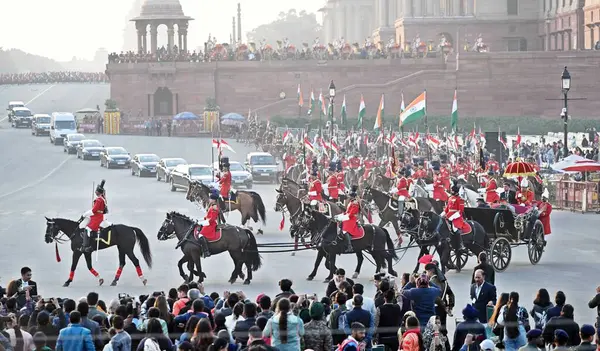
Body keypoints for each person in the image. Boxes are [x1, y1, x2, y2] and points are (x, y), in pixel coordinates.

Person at [79, 179, 110, 252]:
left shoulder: (99, 200)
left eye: (96, 191)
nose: (95, 192)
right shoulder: (101, 199)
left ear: (98, 192)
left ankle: (86, 246)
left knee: (87, 228)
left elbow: (93, 210)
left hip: (97, 218)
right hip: (97, 216)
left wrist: (84, 214)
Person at [440, 184, 470, 251]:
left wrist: (451, 217)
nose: (451, 191)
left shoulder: (460, 199)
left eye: (452, 190)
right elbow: (447, 209)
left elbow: (460, 211)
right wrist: (441, 215)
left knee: (455, 229)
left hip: (457, 217)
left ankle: (461, 244)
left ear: (455, 191)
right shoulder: (450, 198)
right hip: (448, 215)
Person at [335, 185, 361, 253]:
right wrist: (340, 215)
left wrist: (343, 217)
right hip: (348, 216)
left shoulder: (355, 203)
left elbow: (351, 214)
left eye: (350, 196)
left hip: (351, 218)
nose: (349, 197)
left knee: (345, 230)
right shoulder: (351, 202)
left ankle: (350, 246)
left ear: (352, 196)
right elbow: (347, 211)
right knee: (336, 219)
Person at [196, 189, 220, 258]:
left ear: (214, 200)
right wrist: (201, 219)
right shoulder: (212, 205)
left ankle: (206, 251)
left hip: (211, 224)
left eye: (210, 198)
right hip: (208, 222)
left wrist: (204, 223)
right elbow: (208, 216)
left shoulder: (214, 207)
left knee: (200, 235)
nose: (209, 199)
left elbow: (212, 219)